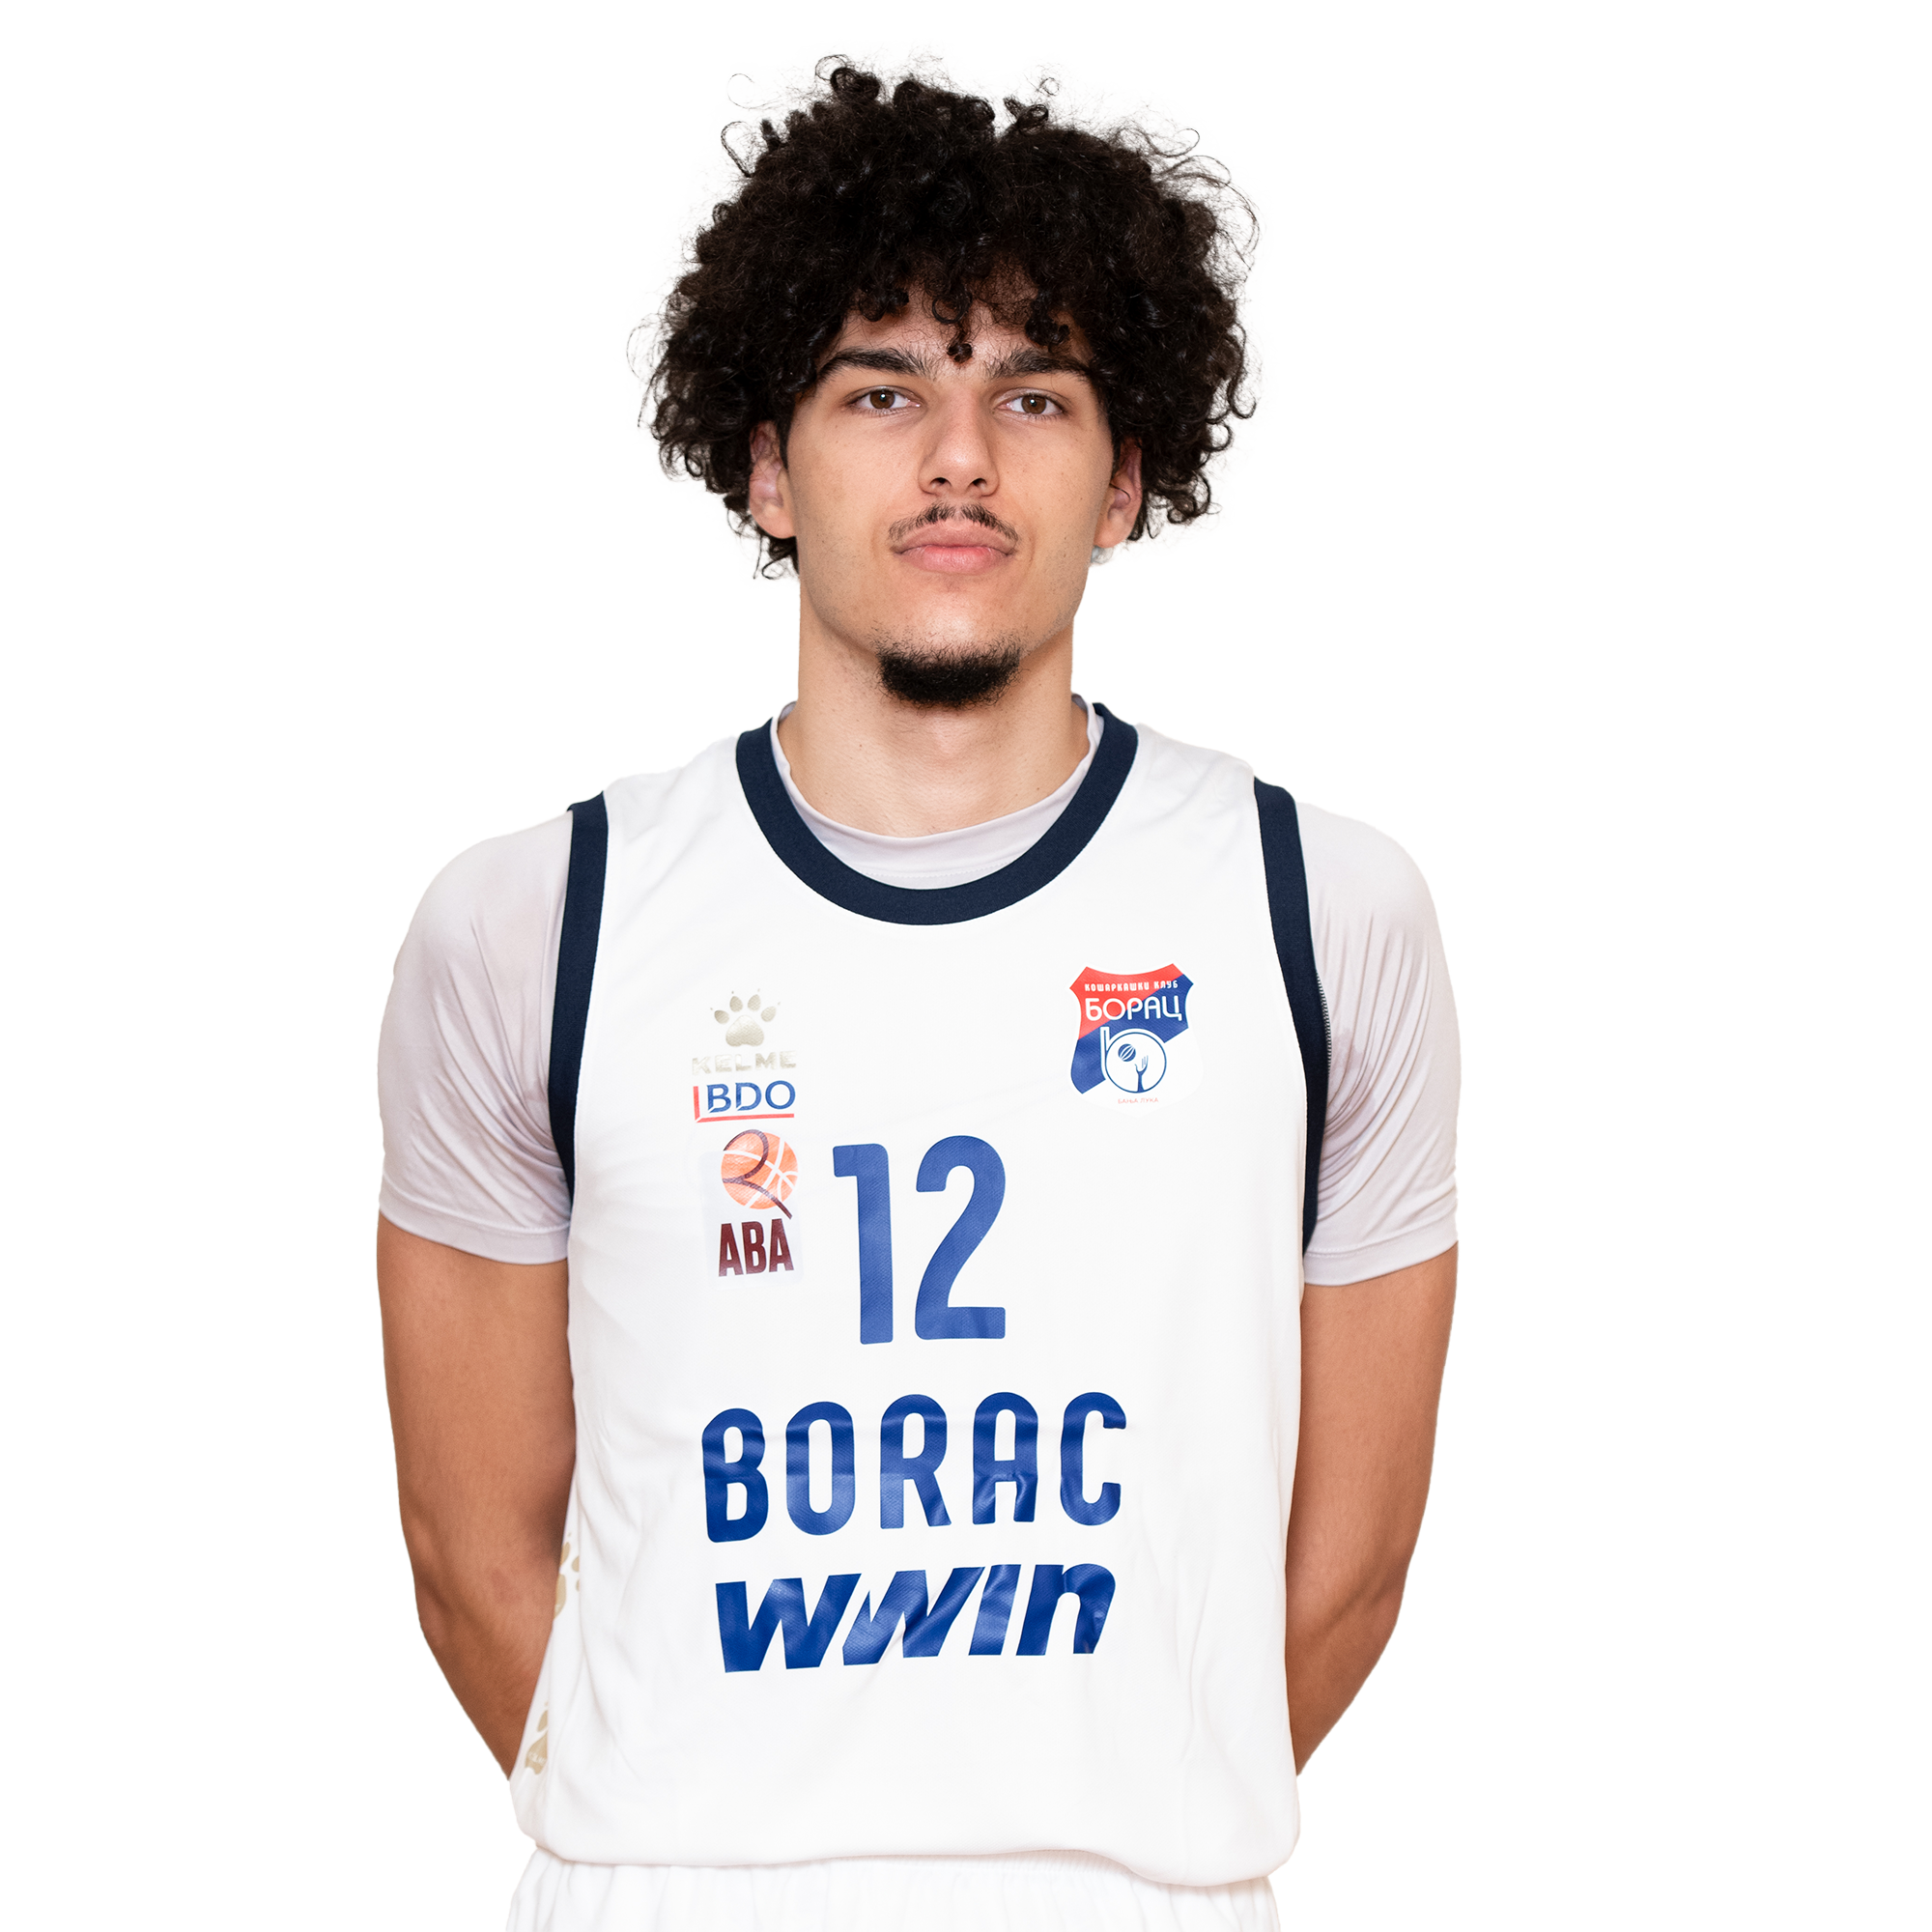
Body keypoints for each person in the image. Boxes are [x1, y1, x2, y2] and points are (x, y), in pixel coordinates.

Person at [378, 53, 1459, 1932]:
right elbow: (472, 1551)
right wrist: (682, 1830)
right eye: (881, 391)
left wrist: (1108, 1828)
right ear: (766, 467)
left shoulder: (1320, 914)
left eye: (1032, 396)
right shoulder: (532, 926)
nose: (959, 456)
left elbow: (1348, 1569)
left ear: (1126, 478)